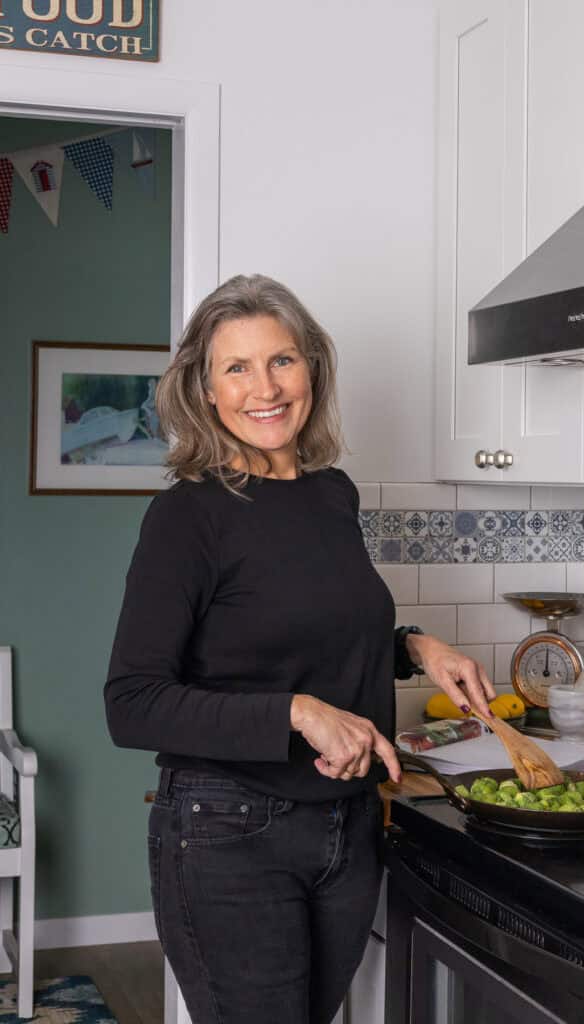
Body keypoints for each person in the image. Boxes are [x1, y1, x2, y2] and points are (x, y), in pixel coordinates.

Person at [104, 274, 495, 1024]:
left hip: (345, 829)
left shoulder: (331, 495)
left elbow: (304, 641)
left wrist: (416, 647)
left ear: (311, 366)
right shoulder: (186, 518)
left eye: (282, 360)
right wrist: (298, 713)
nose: (265, 387)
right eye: (237, 368)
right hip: (227, 835)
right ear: (205, 390)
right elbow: (132, 703)